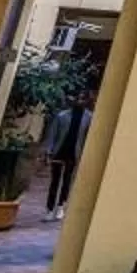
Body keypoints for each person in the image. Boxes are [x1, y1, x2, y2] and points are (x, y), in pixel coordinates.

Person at [42, 88, 96, 217]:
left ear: (87, 100)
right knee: (55, 181)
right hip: (59, 151)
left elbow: (88, 137)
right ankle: (49, 209)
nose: (80, 101)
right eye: (78, 98)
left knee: (67, 180)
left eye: (83, 99)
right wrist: (48, 151)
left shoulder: (89, 118)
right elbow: (52, 134)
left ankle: (61, 206)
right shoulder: (62, 115)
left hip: (74, 153)